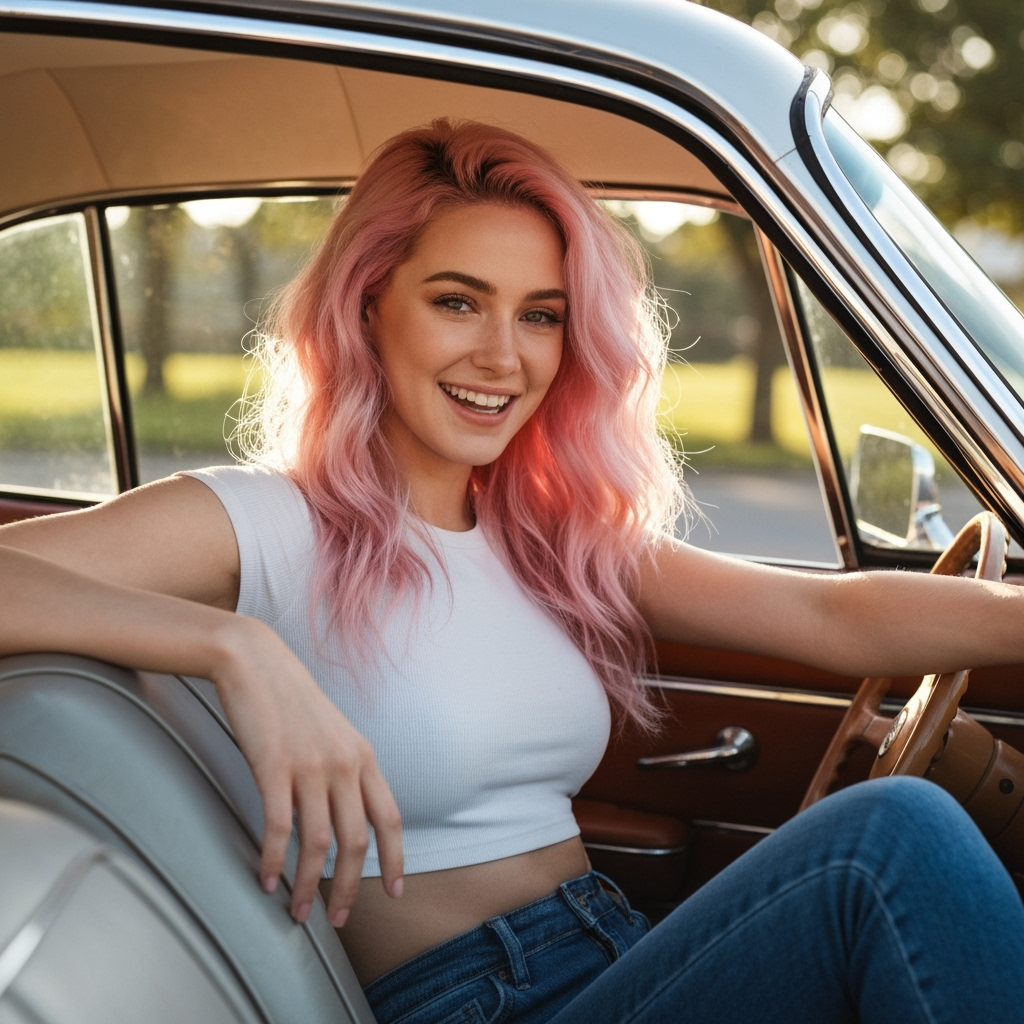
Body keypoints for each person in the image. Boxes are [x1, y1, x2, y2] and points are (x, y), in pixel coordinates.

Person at [2, 119, 1024, 1023]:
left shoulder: (545, 536)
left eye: (539, 314)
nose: (504, 355)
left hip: (616, 948)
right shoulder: (265, 520)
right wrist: (231, 644)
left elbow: (827, 615)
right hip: (481, 998)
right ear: (366, 310)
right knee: (888, 840)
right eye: (458, 301)